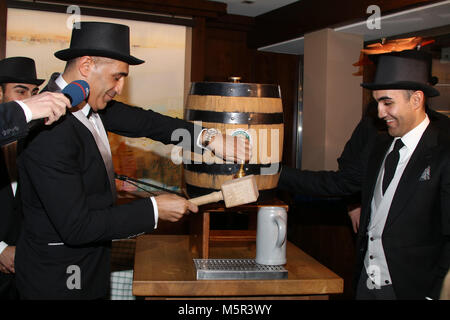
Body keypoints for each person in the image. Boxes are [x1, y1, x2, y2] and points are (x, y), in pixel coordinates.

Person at [15, 21, 249, 300]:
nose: (120, 87)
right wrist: (153, 209)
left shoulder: (86, 101)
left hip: (90, 266)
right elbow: (77, 227)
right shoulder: (48, 128)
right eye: (117, 77)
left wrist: (210, 138)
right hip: (57, 281)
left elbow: (149, 123)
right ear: (87, 65)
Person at [278, 49, 450, 300]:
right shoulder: (379, 146)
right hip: (367, 283)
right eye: (377, 103)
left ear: (416, 100)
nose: (380, 113)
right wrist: (272, 172)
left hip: (412, 289)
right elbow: (337, 183)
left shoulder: (443, 152)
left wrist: (434, 294)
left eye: (387, 102)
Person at [0, 57, 50, 299]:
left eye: (34, 93)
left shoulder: (38, 142)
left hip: (28, 274)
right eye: (20, 92)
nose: (30, 100)